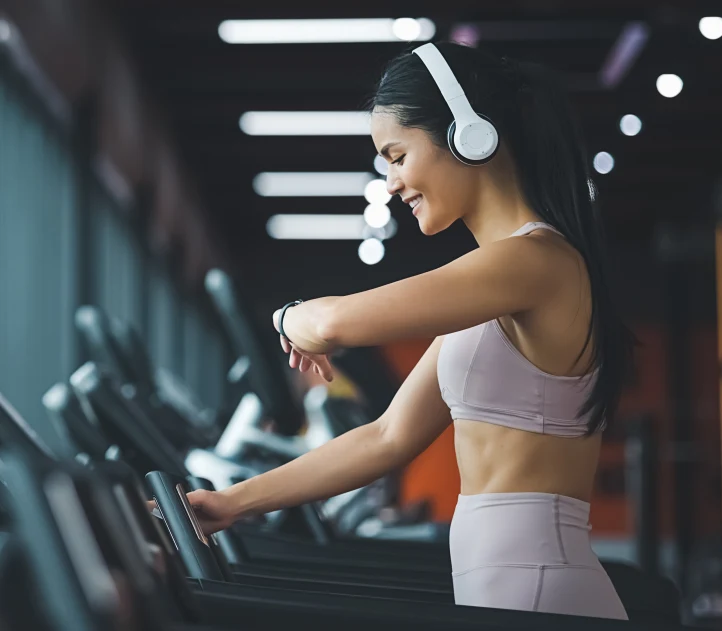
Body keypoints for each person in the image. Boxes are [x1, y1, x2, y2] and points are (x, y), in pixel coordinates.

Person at [183, 41, 635, 619]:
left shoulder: (534, 262)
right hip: (511, 585)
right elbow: (387, 438)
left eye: (397, 156)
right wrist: (228, 504)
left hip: (539, 588)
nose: (392, 182)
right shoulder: (497, 285)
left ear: (469, 135)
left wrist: (287, 316)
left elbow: (333, 323)